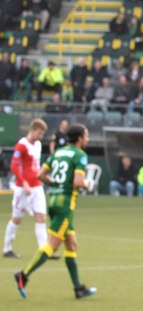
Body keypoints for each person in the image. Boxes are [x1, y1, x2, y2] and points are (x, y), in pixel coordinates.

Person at [13, 124, 97, 299]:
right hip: (65, 205)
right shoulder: (80, 155)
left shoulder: (57, 152)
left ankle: (78, 289)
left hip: (53, 201)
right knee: (52, 245)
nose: (87, 139)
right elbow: (77, 182)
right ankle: (23, 275)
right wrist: (88, 184)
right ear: (80, 138)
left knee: (71, 243)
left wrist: (57, 185)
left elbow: (41, 175)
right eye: (86, 135)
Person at [3, 120, 50, 259]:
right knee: (17, 218)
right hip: (23, 188)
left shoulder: (38, 145)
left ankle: (44, 250)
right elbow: (14, 166)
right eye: (40, 133)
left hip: (36, 186)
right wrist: (23, 182)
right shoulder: (21, 145)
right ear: (33, 129)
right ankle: (7, 249)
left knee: (41, 216)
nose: (41, 136)